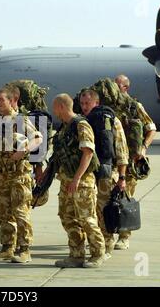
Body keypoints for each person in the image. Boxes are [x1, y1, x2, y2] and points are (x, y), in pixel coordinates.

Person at [0, 86, 43, 264]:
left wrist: (25, 150)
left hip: (19, 175)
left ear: (11, 101)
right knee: (3, 213)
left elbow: (38, 138)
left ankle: (25, 250)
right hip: (1, 175)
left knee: (21, 212)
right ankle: (7, 248)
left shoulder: (20, 120)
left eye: (1, 100)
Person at [50, 93, 106, 268]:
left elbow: (88, 153)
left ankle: (98, 254)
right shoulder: (64, 128)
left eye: (54, 107)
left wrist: (76, 179)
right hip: (66, 181)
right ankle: (76, 255)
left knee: (87, 218)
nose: (53, 111)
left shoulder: (81, 125)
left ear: (61, 106)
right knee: (68, 217)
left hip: (81, 182)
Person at [79, 90, 129, 257]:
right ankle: (98, 243)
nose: (84, 107)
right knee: (90, 210)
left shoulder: (111, 121)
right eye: (82, 103)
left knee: (104, 210)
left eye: (88, 103)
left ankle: (107, 244)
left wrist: (122, 178)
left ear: (96, 103)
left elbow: (122, 152)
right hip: (88, 174)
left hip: (107, 173)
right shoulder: (83, 121)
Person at [114, 75, 157, 250]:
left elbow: (151, 128)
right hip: (112, 160)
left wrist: (143, 148)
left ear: (126, 88)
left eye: (118, 86)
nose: (114, 89)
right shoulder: (106, 108)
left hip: (130, 162)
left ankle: (124, 236)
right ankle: (107, 232)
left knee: (125, 197)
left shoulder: (134, 107)